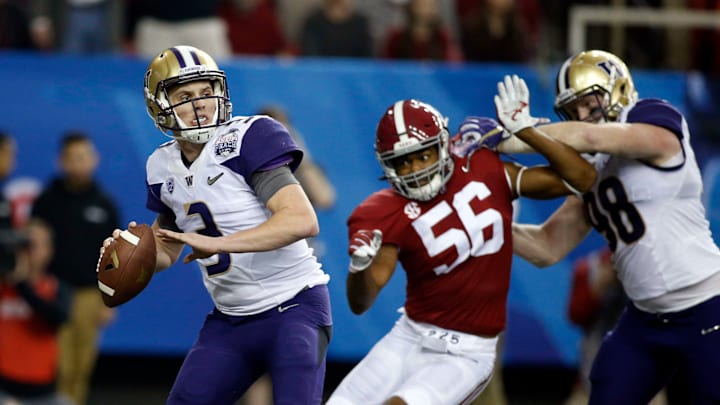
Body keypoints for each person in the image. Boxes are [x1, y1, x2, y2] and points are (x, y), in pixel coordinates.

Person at [325, 75, 597, 404]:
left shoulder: (482, 165)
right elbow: (361, 302)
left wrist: (525, 130)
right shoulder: (381, 210)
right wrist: (358, 268)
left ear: (442, 144)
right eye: (403, 162)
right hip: (409, 337)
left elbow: (582, 177)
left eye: (422, 155)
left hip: (467, 351)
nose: (415, 169)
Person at [100, 45, 333, 405]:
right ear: (159, 106)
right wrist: (132, 252)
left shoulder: (248, 138)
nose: (200, 104)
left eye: (206, 92)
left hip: (294, 306)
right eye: (185, 96)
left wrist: (221, 244)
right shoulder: (160, 167)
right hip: (231, 320)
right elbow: (168, 246)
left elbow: (301, 220)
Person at [507, 49, 720, 404]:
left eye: (589, 106)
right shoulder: (591, 172)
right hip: (645, 320)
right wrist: (492, 226)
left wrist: (515, 135)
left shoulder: (654, 116)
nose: (583, 118)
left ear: (617, 90)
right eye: (573, 112)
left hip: (708, 304)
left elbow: (590, 138)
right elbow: (547, 247)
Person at [31, 132, 120, 405]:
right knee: (57, 365)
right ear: (62, 161)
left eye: (85, 156)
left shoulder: (105, 204)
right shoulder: (46, 202)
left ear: (95, 160)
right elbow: (34, 248)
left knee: (81, 367)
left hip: (90, 296)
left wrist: (110, 301)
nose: (79, 163)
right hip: (53, 293)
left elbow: (114, 257)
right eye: (73, 157)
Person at [0, 219, 73, 405]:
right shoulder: (3, 287)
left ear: (49, 251)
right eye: (24, 244)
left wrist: (21, 284)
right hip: (5, 390)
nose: (28, 251)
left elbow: (57, 317)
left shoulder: (56, 288)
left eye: (33, 245)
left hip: (44, 393)